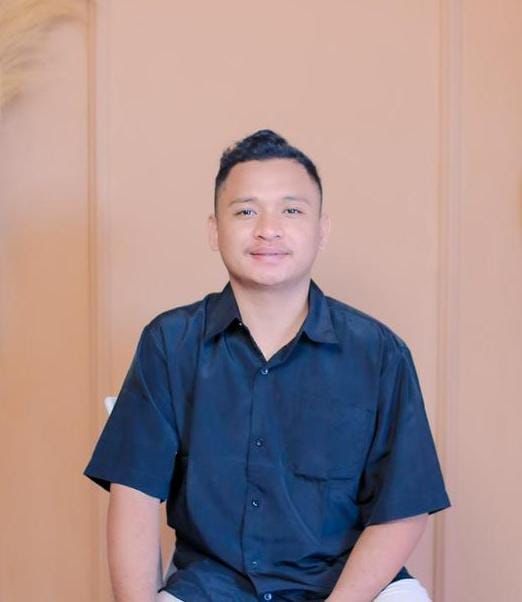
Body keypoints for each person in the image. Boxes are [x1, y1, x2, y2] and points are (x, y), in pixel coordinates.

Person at [84, 129, 451, 602]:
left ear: (322, 230)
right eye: (246, 211)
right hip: (212, 587)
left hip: (348, 586)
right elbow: (133, 494)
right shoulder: (170, 344)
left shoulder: (379, 353)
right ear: (214, 230)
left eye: (291, 211)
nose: (268, 229)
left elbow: (403, 508)